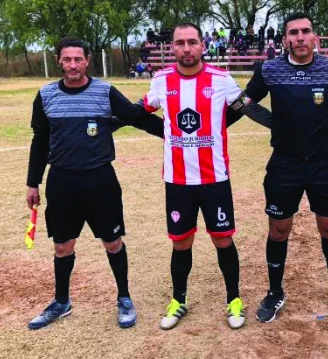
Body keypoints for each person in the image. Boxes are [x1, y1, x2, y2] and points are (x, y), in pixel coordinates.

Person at [26, 37, 164, 330]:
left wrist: (174, 134)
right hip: (62, 181)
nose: (73, 65)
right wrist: (32, 183)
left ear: (87, 60)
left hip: (100, 180)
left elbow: (135, 117)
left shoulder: (104, 91)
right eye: (67, 60)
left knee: (112, 242)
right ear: (59, 62)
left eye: (78, 59)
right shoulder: (46, 95)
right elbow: (39, 141)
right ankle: (61, 302)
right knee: (62, 246)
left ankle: (124, 298)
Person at [141, 22, 272, 330]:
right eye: (180, 43)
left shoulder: (221, 79)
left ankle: (234, 300)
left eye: (192, 42)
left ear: (203, 45)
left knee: (223, 239)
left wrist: (281, 125)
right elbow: (141, 110)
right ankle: (178, 300)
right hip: (178, 180)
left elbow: (246, 109)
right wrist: (108, 120)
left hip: (214, 179)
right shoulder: (161, 81)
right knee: (181, 242)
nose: (186, 48)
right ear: (172, 47)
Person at [244, 12, 328, 323]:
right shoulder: (270, 69)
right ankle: (275, 292)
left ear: (315, 37)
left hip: (324, 165)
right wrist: (271, 121)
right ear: (285, 39)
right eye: (293, 33)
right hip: (284, 165)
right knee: (279, 230)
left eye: (305, 32)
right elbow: (241, 102)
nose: (300, 37)